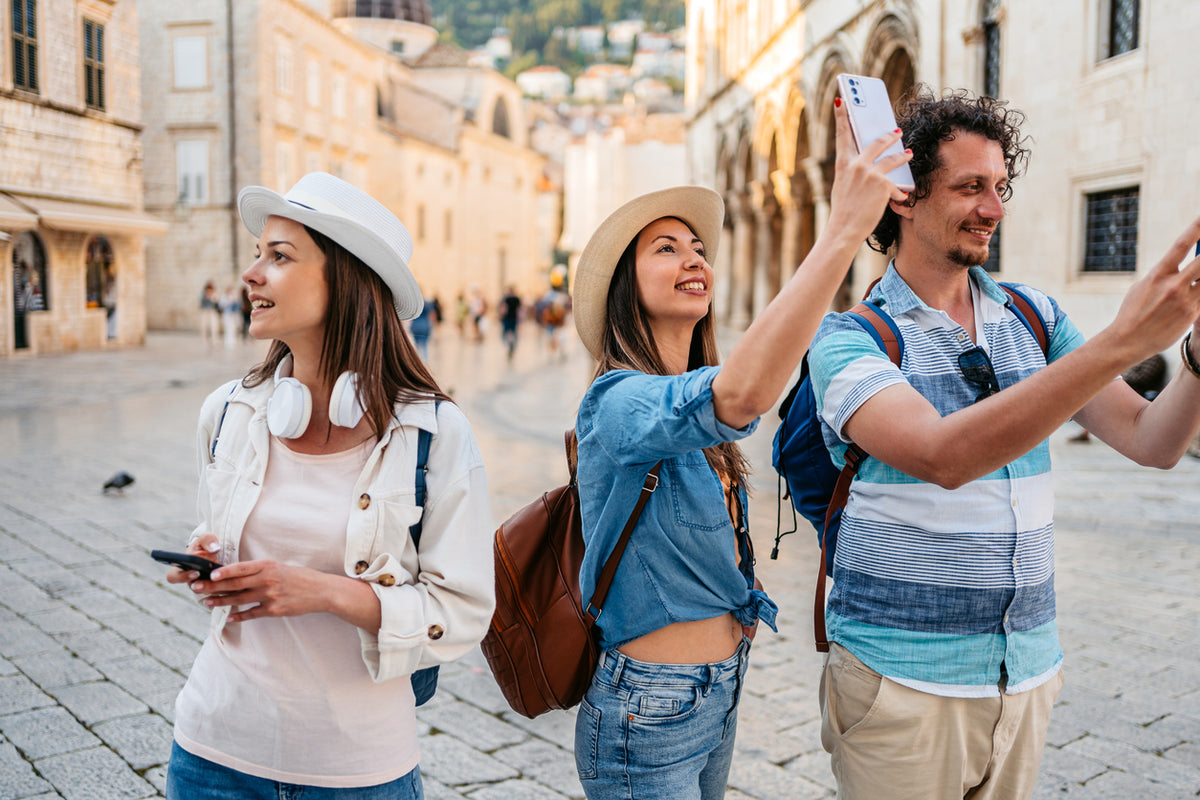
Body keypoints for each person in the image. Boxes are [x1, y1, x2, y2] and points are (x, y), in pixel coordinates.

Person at [805, 89, 1200, 800]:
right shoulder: (850, 340)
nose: (994, 208)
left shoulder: (1033, 316)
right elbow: (941, 455)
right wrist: (1121, 343)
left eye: (999, 187)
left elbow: (1153, 441)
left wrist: (1196, 352)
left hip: (1026, 679)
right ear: (903, 197)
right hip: (901, 683)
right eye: (969, 187)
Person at [568, 98, 913, 800]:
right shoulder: (615, 400)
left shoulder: (693, 389)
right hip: (648, 706)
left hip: (718, 688)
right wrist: (843, 229)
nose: (694, 257)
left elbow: (741, 388)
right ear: (623, 287)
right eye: (666, 248)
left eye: (697, 248)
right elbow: (743, 396)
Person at [162, 172, 494, 798]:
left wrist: (325, 592)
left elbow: (461, 612)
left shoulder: (434, 434)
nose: (252, 274)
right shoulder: (227, 412)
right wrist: (208, 565)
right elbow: (219, 537)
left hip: (358, 772)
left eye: (279, 256)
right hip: (211, 752)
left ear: (346, 279)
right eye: (258, 254)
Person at [499, 285, 522, 361]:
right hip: (514, 318)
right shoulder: (517, 299)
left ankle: (510, 343)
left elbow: (503, 308)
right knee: (513, 332)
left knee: (507, 332)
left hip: (507, 317)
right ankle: (511, 343)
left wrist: (501, 315)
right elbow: (520, 309)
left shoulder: (506, 298)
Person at [199, 281, 220, 347]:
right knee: (204, 325)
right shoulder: (203, 294)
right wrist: (206, 297)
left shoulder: (214, 293)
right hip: (205, 311)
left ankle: (214, 338)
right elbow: (201, 302)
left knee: (214, 325)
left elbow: (217, 303)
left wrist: (214, 298)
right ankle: (205, 338)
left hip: (212, 310)